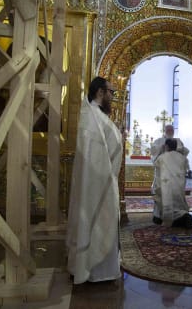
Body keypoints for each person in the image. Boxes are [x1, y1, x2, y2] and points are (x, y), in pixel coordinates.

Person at [66, 77, 123, 284]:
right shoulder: (90, 117)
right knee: (93, 220)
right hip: (97, 182)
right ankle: (93, 269)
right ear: (100, 92)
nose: (112, 96)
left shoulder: (96, 115)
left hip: (103, 180)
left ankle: (98, 268)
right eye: (111, 92)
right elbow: (94, 156)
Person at [150, 124, 189, 224]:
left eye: (172, 129)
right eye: (168, 130)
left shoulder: (178, 141)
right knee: (162, 194)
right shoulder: (158, 141)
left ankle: (177, 216)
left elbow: (183, 151)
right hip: (162, 173)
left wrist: (173, 150)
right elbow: (154, 154)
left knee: (173, 194)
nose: (170, 131)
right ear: (164, 130)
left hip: (176, 174)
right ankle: (159, 215)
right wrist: (161, 148)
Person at [154, 138, 192, 229]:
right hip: (179, 184)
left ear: (166, 146)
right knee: (179, 203)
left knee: (168, 204)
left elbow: (156, 167)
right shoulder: (182, 157)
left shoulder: (162, 157)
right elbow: (186, 169)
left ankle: (171, 220)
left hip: (166, 185)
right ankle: (184, 216)